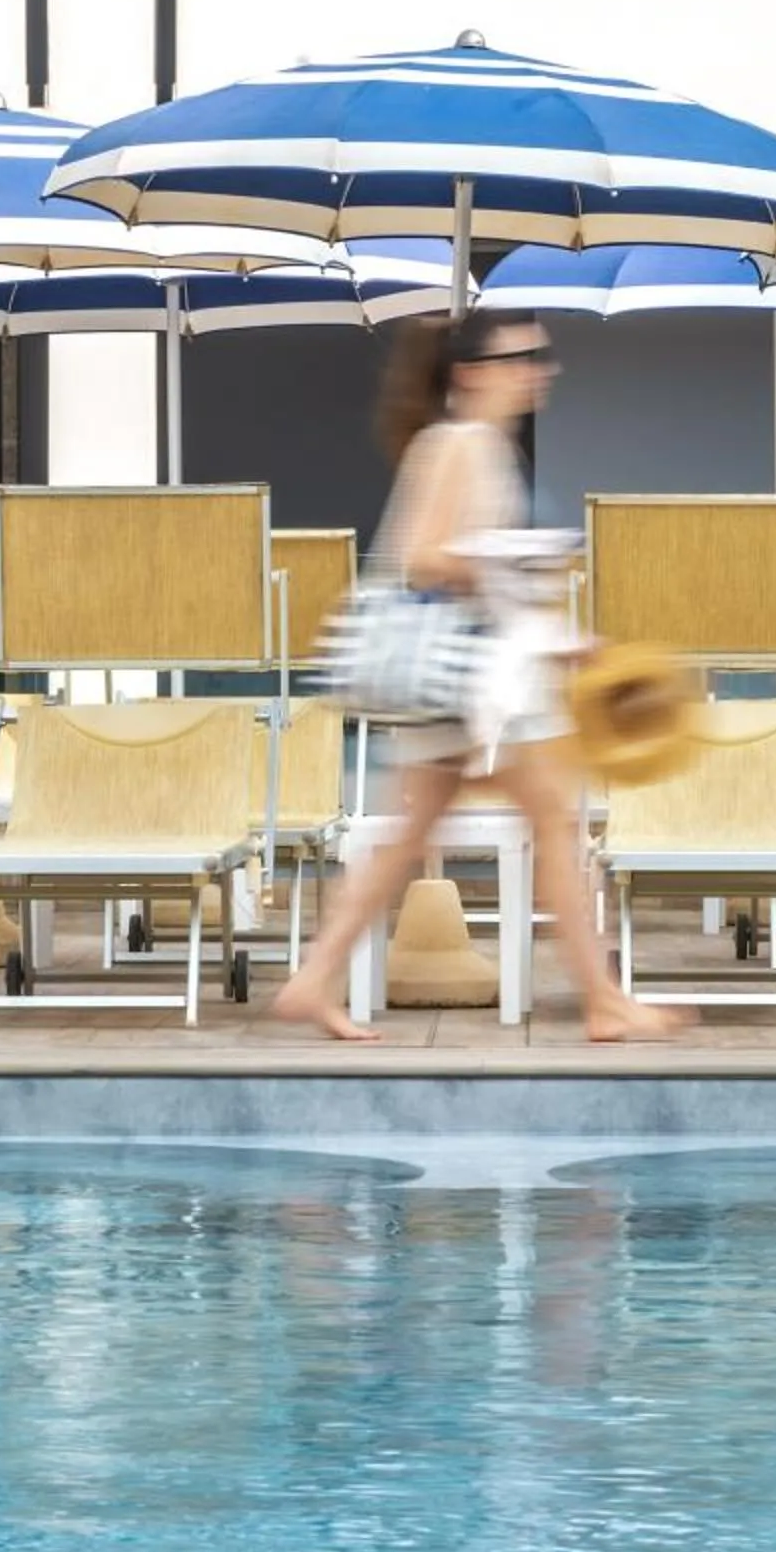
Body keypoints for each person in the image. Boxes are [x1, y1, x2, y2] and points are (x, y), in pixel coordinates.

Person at [271, 310, 688, 1045]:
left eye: (539, 356)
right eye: (520, 357)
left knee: (418, 834)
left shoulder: (478, 446)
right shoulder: (460, 444)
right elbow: (423, 558)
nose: (538, 370)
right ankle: (603, 1001)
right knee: (553, 825)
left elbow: (476, 581)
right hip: (473, 686)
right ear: (470, 373)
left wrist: (556, 630)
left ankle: (314, 977)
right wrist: (511, 563)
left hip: (468, 684)